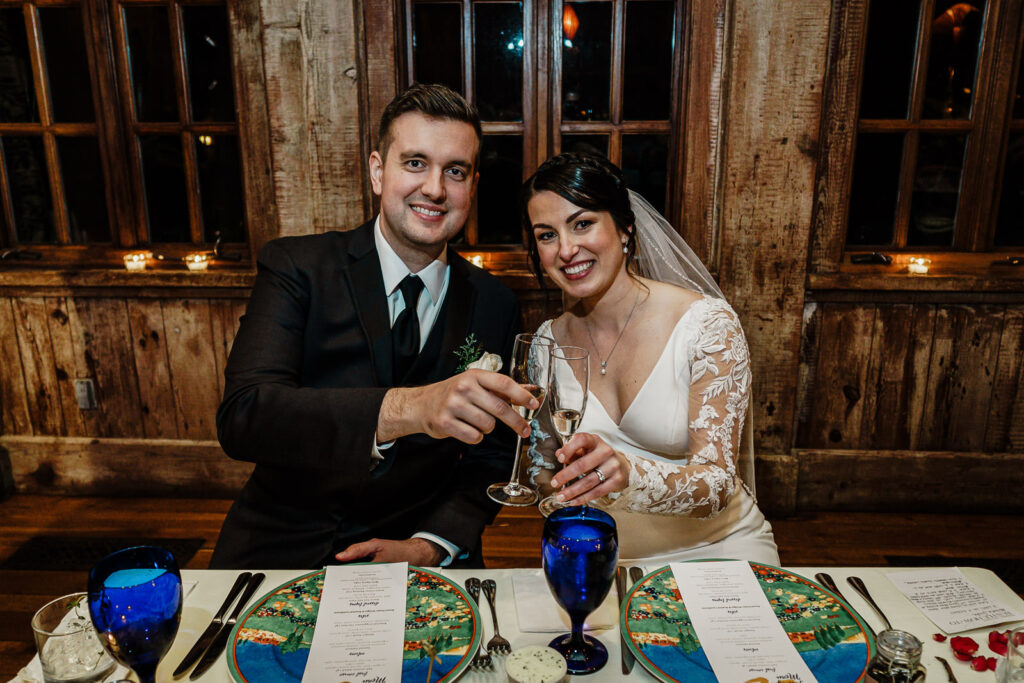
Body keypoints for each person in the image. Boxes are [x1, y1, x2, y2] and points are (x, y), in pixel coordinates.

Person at [210, 84, 537, 569]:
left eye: (455, 171)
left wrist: (429, 545)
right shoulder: (298, 267)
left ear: (472, 186)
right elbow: (245, 416)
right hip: (284, 543)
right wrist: (407, 408)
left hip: (419, 549)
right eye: (415, 163)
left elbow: (493, 459)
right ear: (378, 171)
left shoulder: (495, 303)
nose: (434, 188)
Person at [523, 153, 779, 565]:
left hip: (717, 548)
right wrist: (553, 485)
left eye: (582, 223)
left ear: (624, 227)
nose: (566, 250)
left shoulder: (706, 326)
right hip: (602, 554)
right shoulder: (546, 344)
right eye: (546, 235)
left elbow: (716, 485)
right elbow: (541, 470)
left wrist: (630, 475)